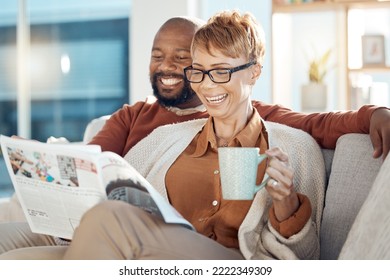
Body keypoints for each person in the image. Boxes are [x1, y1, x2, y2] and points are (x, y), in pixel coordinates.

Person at [0, 13, 388, 259]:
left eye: (218, 70)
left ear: (253, 72)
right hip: (147, 242)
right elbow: (97, 172)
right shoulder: (161, 135)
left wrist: (286, 203)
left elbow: (300, 252)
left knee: (110, 221)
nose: (206, 84)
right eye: (200, 71)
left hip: (225, 258)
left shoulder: (283, 138)